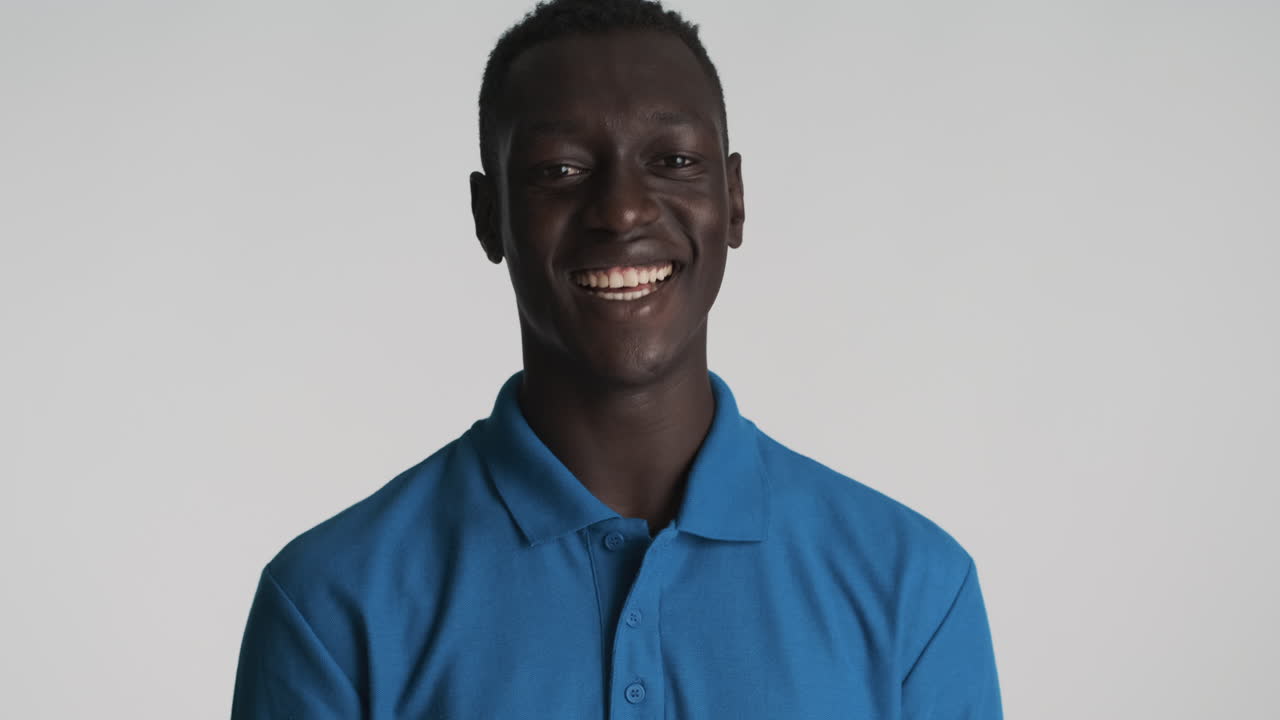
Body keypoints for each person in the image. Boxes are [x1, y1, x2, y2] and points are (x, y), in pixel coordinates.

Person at [230, 0, 1003, 717]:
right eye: (559, 170)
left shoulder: (914, 591)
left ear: (734, 199)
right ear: (488, 215)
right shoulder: (332, 606)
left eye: (673, 161)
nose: (623, 209)